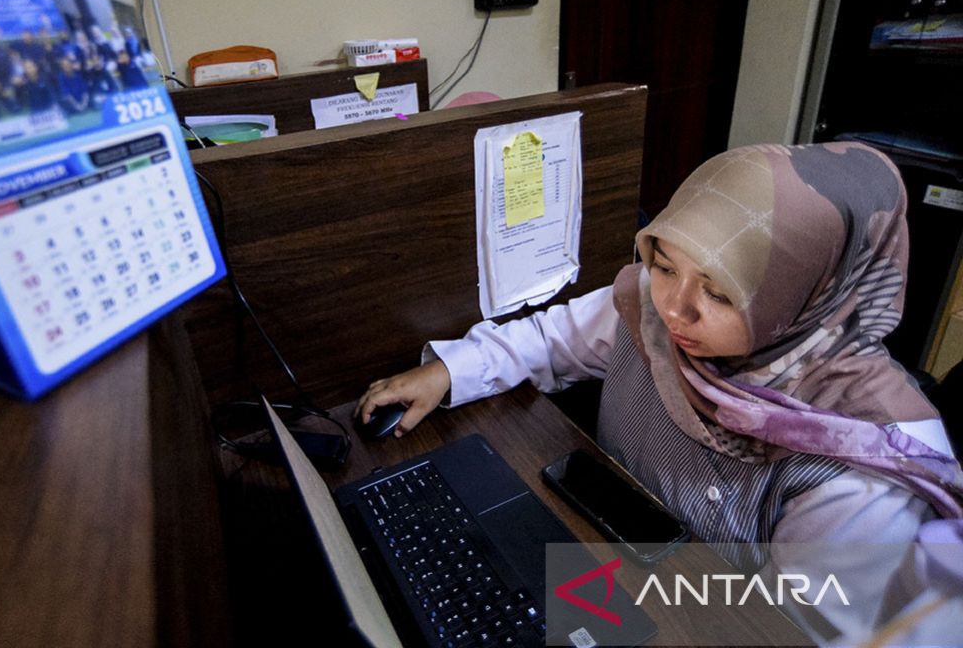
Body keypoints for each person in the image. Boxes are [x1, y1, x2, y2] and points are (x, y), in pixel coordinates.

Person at [355, 142, 963, 643]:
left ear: (807, 294)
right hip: (617, 569)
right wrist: (448, 373)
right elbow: (550, 340)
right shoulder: (650, 305)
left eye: (721, 293)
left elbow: (789, 627)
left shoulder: (866, 468)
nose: (674, 308)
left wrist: (601, 594)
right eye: (665, 264)